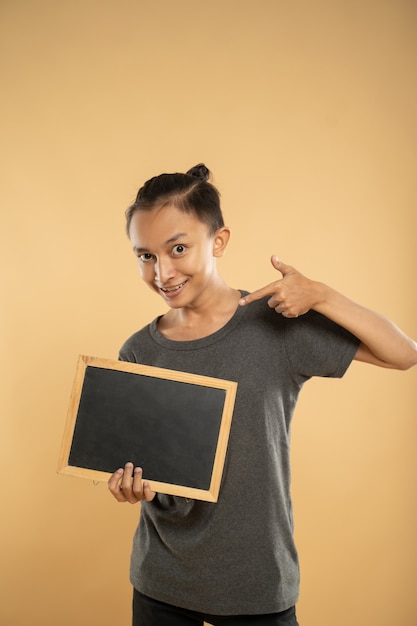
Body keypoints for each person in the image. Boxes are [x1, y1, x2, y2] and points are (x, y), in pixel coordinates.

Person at [108, 163, 416, 626]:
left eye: (177, 248)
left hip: (257, 580)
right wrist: (132, 486)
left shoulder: (277, 323)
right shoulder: (137, 350)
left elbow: (403, 354)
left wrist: (323, 296)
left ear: (219, 241)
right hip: (162, 582)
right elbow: (142, 462)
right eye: (145, 256)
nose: (163, 271)